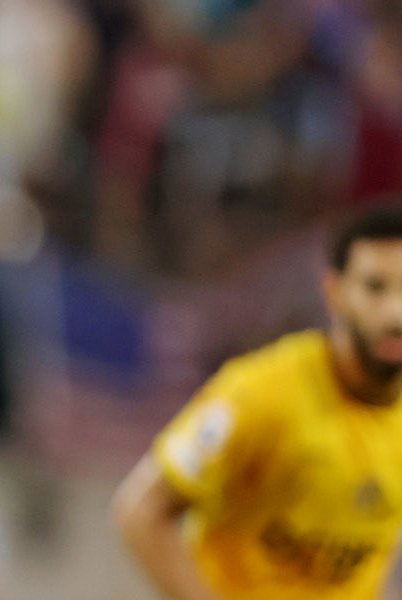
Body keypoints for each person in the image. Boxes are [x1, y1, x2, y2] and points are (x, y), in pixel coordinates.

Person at [113, 208, 402, 599]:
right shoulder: (259, 394)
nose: (395, 312)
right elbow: (140, 511)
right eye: (375, 287)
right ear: (334, 292)